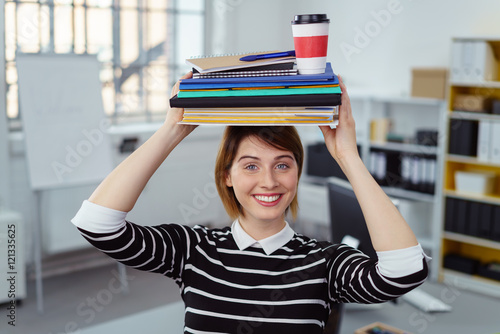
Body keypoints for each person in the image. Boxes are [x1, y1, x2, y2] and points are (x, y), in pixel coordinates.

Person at [71, 72, 429, 334]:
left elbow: (406, 271)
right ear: (227, 175)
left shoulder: (324, 262)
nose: (269, 181)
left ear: (297, 173)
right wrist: (172, 130)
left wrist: (348, 157)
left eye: (283, 165)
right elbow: (97, 224)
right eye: (251, 166)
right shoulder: (194, 249)